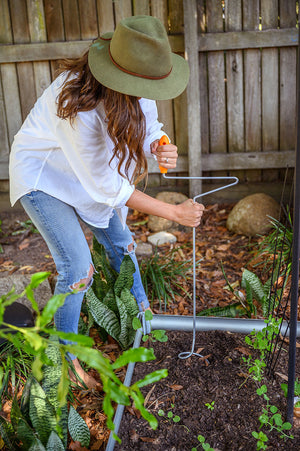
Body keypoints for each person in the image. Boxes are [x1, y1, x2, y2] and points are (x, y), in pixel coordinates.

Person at [9, 15, 204, 388]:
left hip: (89, 175)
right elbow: (107, 187)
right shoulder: (78, 106)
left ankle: (142, 318)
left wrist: (159, 147)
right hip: (44, 177)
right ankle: (68, 357)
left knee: (122, 243)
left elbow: (148, 125)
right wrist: (172, 212)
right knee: (78, 268)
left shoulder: (135, 80)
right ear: (119, 77)